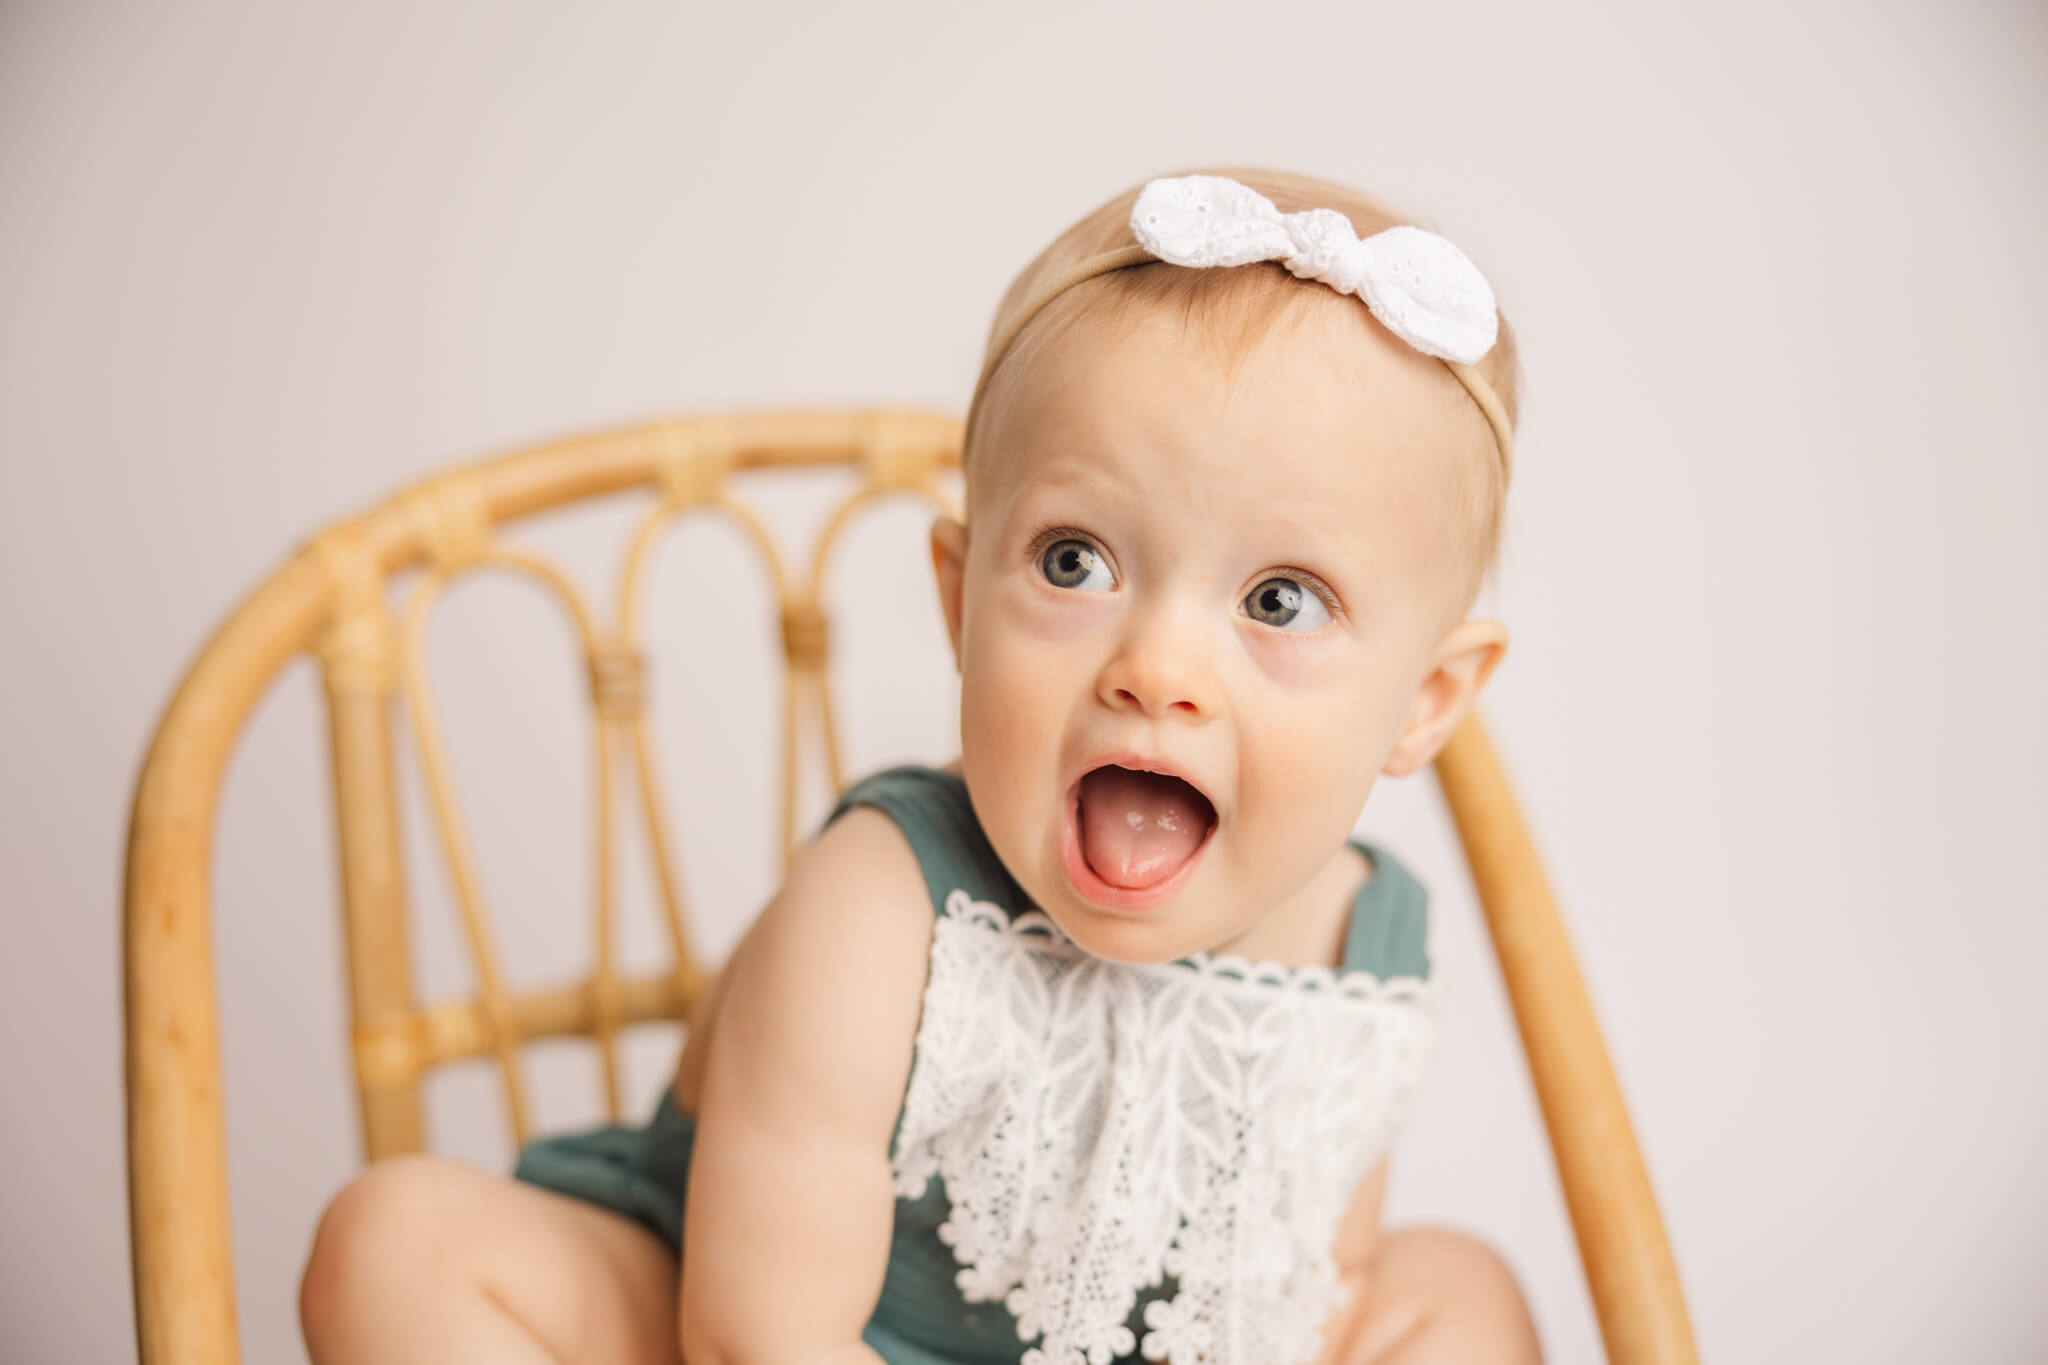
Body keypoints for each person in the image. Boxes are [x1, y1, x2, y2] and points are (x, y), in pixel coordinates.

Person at [297, 167, 1544, 1365]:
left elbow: (1285, 1303)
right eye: (1073, 563)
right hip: (730, 1321)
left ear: (1421, 704)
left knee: (1455, 1296)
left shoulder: (1361, 968)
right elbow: (758, 1334)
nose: (1156, 668)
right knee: (398, 1246)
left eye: (1279, 599)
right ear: (960, 602)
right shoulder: (882, 907)